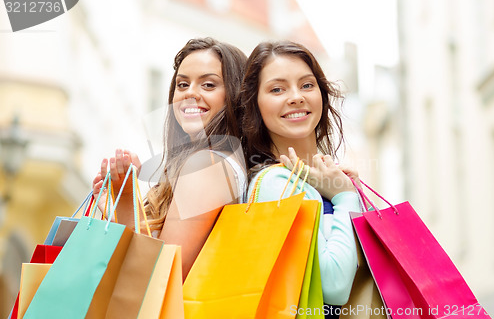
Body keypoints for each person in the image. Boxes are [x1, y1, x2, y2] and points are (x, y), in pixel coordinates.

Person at [92, 37, 248, 280]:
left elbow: (160, 277)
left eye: (208, 85)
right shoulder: (212, 162)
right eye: (182, 84)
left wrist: (126, 199)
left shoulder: (208, 164)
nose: (190, 93)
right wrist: (117, 206)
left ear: (236, 94)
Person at [240, 40, 360, 318]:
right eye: (277, 89)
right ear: (255, 104)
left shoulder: (327, 180)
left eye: (307, 85)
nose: (296, 97)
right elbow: (333, 287)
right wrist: (345, 199)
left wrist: (342, 190)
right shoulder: (276, 184)